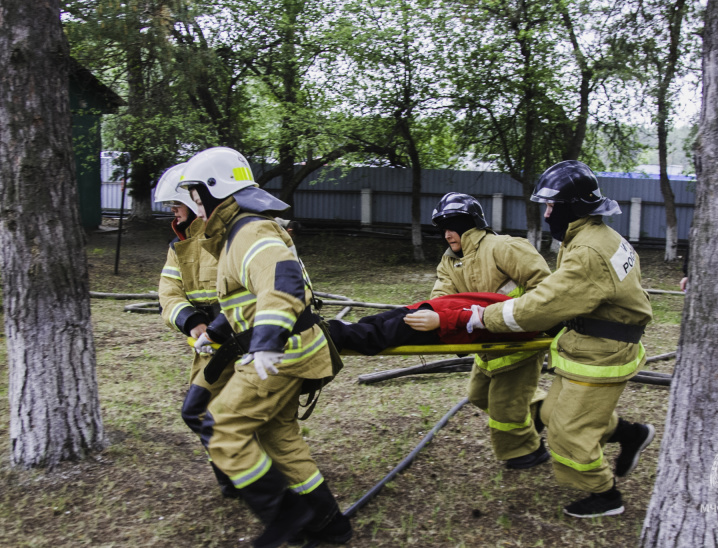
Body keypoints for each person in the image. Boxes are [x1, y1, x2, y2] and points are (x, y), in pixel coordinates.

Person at [178, 147, 351, 548]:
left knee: (221, 427)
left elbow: (282, 281)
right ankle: (329, 524)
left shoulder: (249, 231)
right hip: (290, 349)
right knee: (279, 437)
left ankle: (287, 516)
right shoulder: (236, 232)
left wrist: (268, 344)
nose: (193, 205)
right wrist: (216, 333)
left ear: (214, 190)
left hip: (280, 355)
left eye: (196, 194)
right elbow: (250, 299)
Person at [468, 160, 655, 518]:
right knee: (553, 413)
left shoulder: (587, 252)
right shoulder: (594, 236)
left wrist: (487, 317)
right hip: (589, 345)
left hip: (603, 353)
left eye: (552, 206)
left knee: (567, 433)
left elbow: (543, 303)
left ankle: (605, 495)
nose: (548, 212)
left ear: (574, 207)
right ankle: (631, 434)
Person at [429, 192, 552, 470]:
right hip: (486, 347)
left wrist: (527, 319)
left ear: (471, 223)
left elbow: (545, 287)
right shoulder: (449, 262)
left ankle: (526, 452)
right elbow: (441, 301)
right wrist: (436, 323)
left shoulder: (504, 247)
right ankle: (541, 413)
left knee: (504, 407)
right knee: (478, 395)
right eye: (443, 228)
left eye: (454, 226)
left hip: (520, 341)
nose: (448, 234)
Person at [155, 163, 237, 498]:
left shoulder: (233, 236)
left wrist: (217, 326)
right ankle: (234, 482)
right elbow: (168, 293)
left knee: (235, 413)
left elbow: (246, 294)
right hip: (209, 344)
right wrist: (191, 320)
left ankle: (254, 481)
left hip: (241, 339)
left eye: (176, 204)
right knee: (203, 412)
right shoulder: (178, 248)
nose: (173, 211)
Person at [327, 292, 543, 355]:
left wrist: (440, 319)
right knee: (374, 325)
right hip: (433, 313)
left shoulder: (533, 321)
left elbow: (485, 317)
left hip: (438, 322)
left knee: (378, 333)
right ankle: (327, 330)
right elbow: (484, 312)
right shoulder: (534, 308)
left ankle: (327, 334)